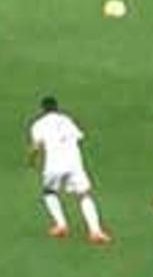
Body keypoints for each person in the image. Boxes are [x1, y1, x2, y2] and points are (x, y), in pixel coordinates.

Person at [29, 95, 110, 243]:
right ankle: (95, 231)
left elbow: (36, 146)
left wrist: (32, 160)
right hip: (74, 162)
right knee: (84, 195)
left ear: (42, 109)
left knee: (49, 192)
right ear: (57, 108)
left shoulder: (38, 124)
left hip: (54, 164)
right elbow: (78, 137)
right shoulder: (67, 120)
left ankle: (61, 225)